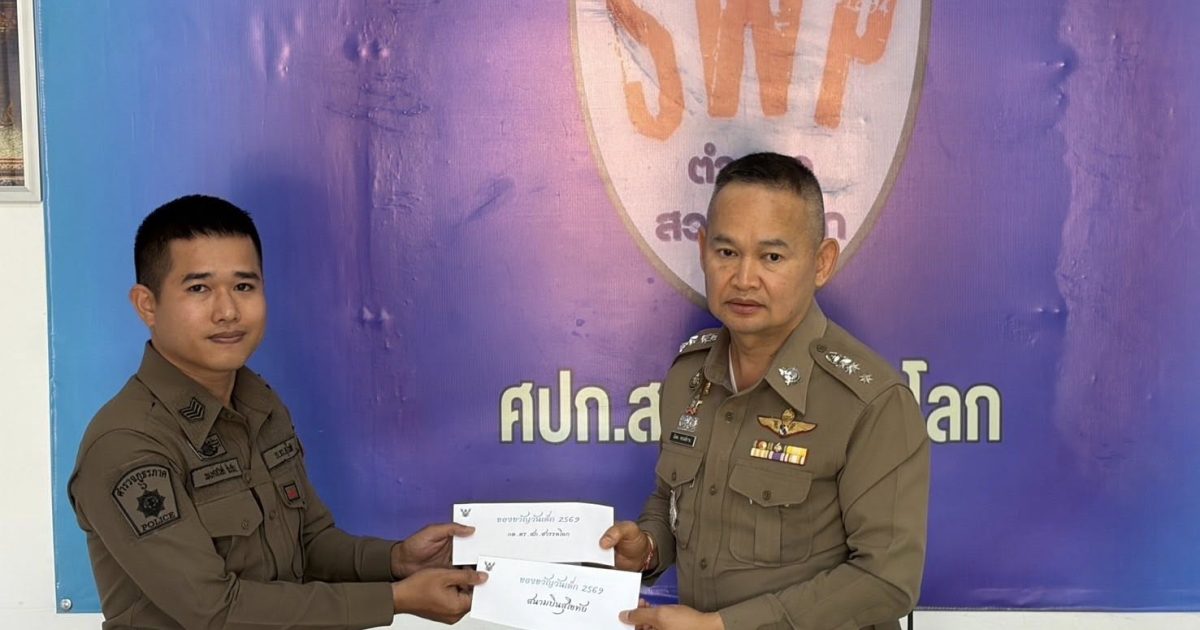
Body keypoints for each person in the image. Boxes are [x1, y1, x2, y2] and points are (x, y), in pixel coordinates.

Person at [68, 195, 486, 629]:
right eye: (199, 289)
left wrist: (397, 560)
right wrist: (395, 599)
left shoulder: (260, 406)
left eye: (244, 286)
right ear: (147, 305)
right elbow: (215, 610)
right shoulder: (127, 445)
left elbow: (310, 544)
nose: (228, 311)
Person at [601, 153, 930, 630]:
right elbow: (671, 500)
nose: (743, 279)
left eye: (771, 257)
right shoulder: (689, 376)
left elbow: (886, 580)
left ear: (821, 262)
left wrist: (722, 627)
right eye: (726, 252)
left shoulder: (870, 402)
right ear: (702, 251)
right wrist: (648, 547)